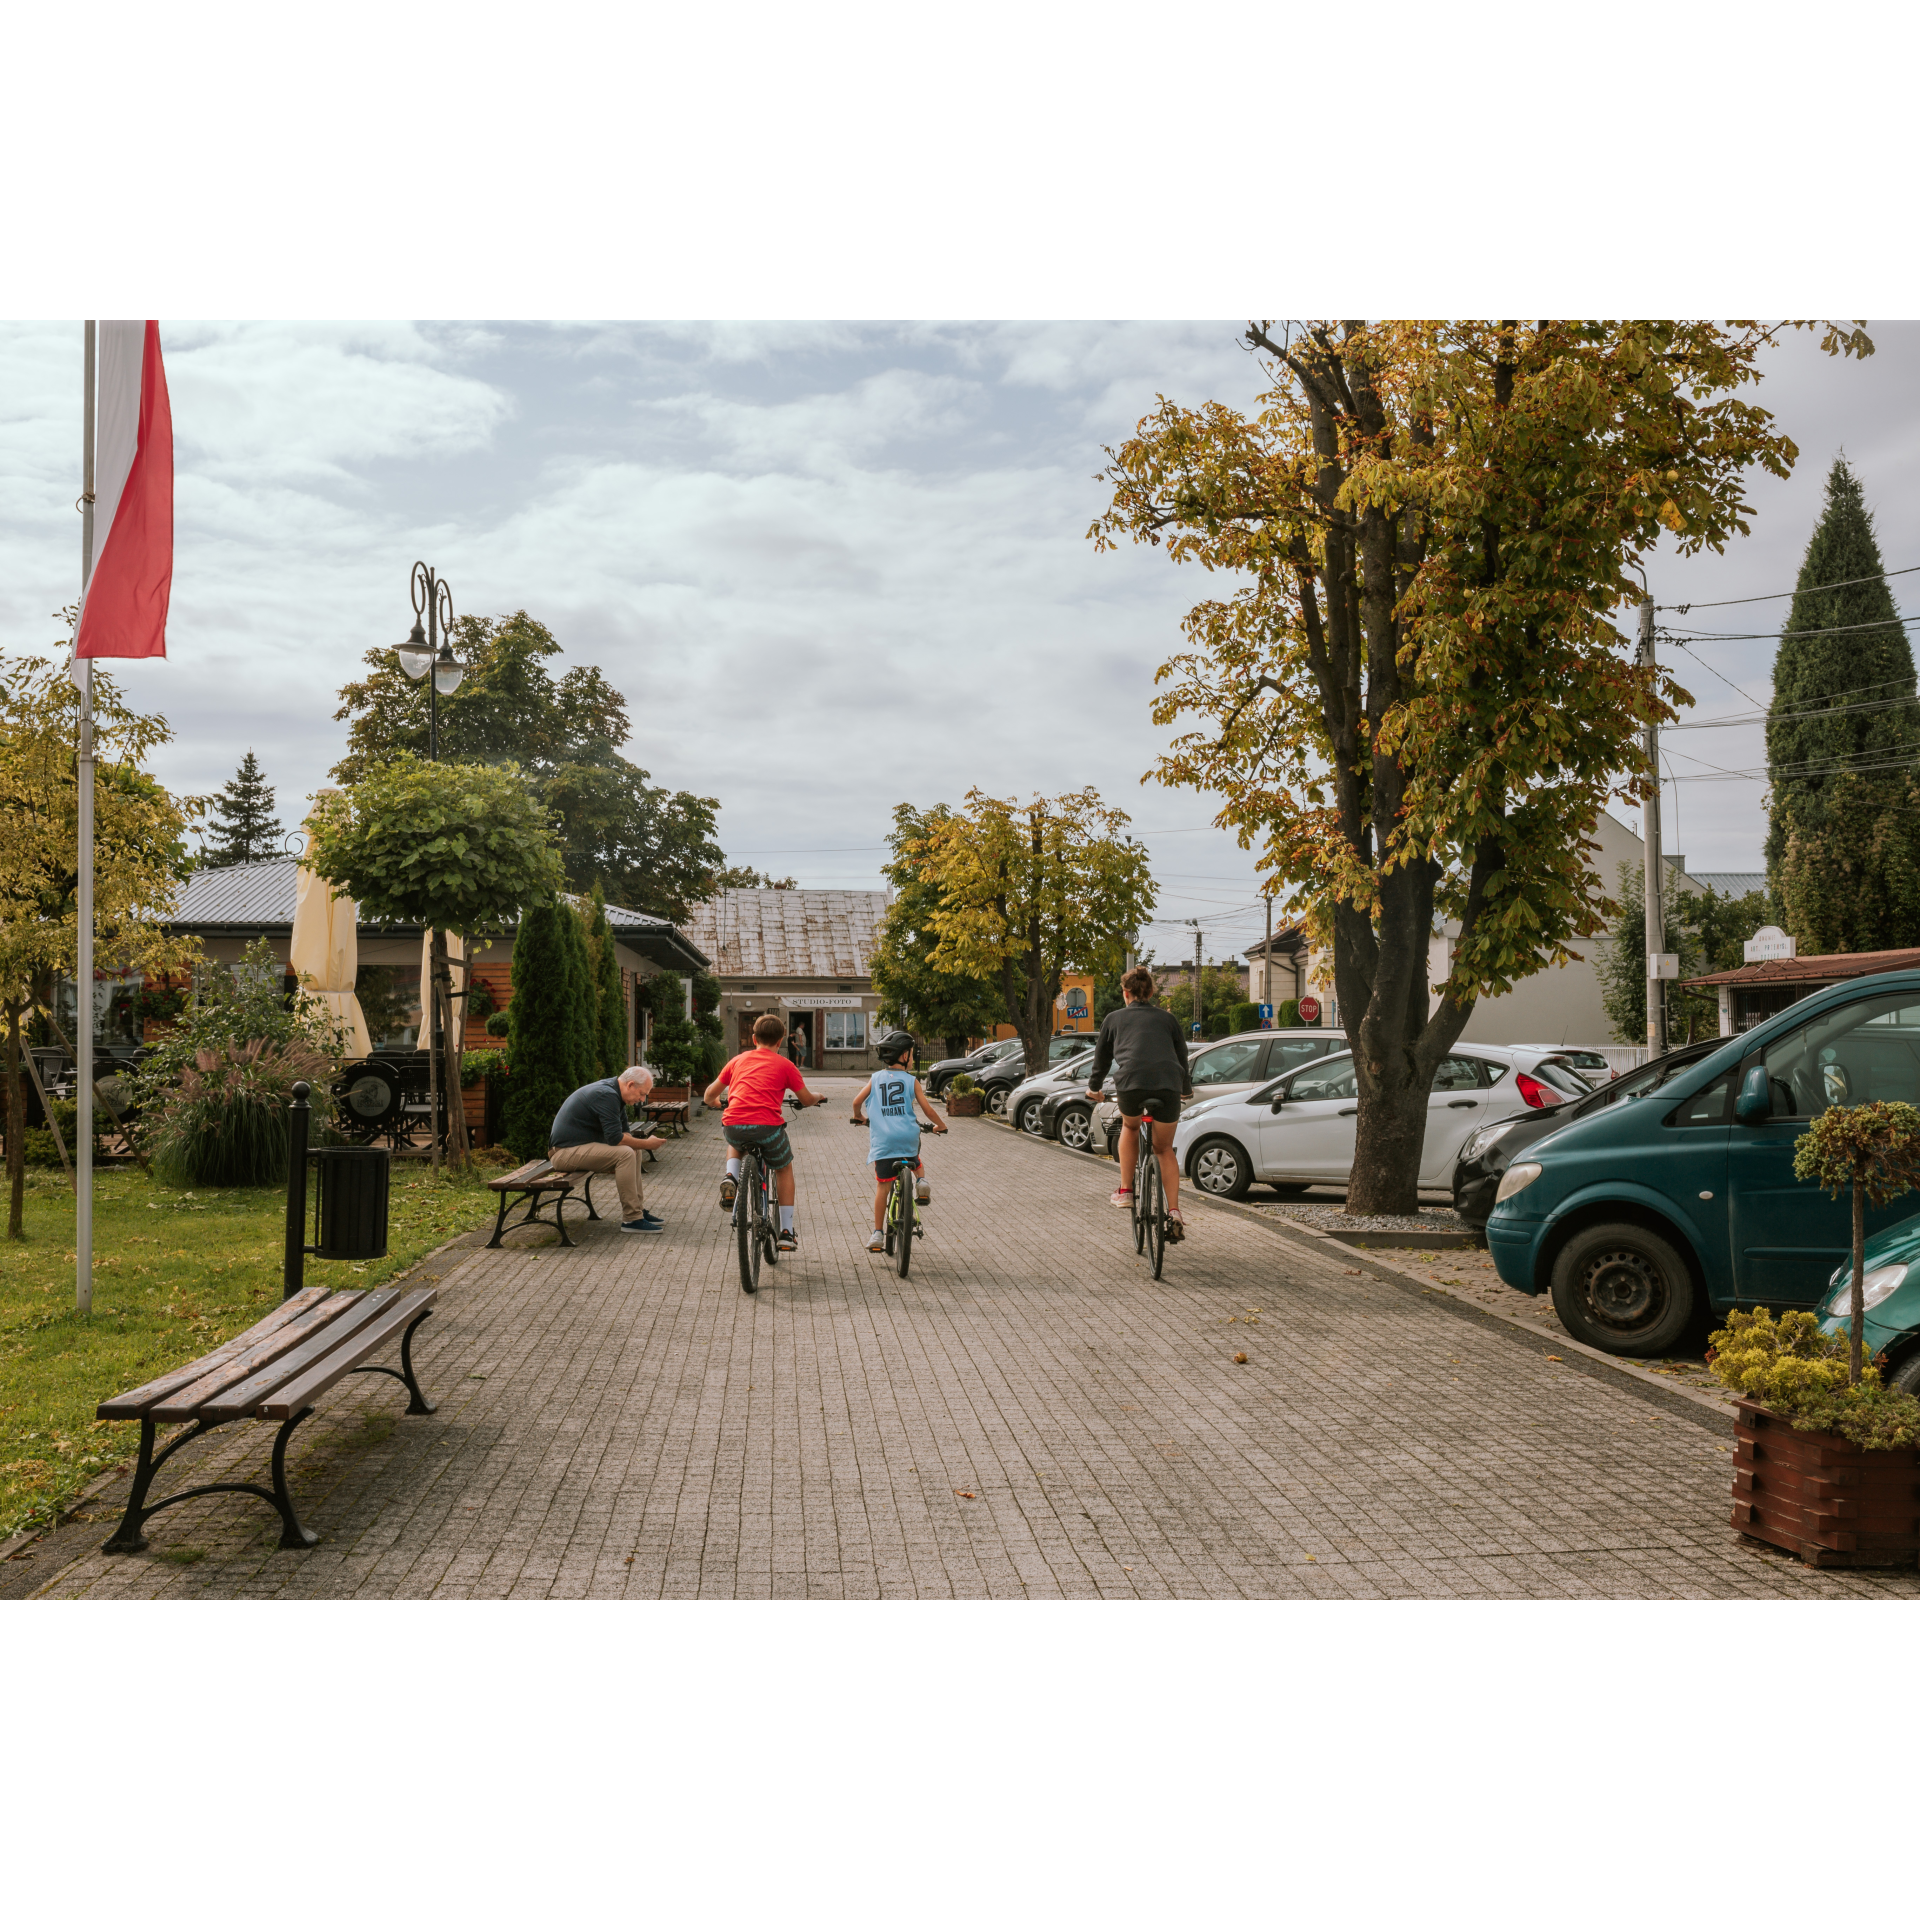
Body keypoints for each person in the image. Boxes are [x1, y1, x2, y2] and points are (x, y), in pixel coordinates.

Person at [705, 1012, 827, 1251]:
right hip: (768, 1129)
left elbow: (709, 1094)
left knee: (736, 1136)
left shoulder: (737, 1061)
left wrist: (717, 1103)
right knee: (783, 1167)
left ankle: (731, 1176)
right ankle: (786, 1231)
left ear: (753, 1038)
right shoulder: (786, 1065)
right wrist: (817, 1098)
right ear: (781, 1041)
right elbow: (805, 1098)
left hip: (734, 1126)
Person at [1087, 964, 1192, 1240]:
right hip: (1168, 1084)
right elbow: (1182, 1056)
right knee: (1164, 1148)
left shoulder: (1113, 1018)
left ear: (1126, 993)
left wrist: (1094, 1089)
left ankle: (1125, 1191)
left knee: (1130, 1128)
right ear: (1151, 992)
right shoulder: (1168, 1020)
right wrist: (1185, 1089)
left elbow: (1102, 1059)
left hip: (1131, 1084)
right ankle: (1175, 1212)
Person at [850, 1031, 946, 1254]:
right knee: (914, 1158)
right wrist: (940, 1125)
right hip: (907, 1137)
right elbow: (927, 1109)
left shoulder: (875, 1079)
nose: (912, 1057)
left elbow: (857, 1102)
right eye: (912, 1053)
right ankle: (921, 1181)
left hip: (883, 1142)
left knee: (882, 1186)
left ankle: (877, 1234)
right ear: (904, 1055)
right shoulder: (912, 1081)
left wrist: (860, 1118)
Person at [548, 1065, 668, 1233]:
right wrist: (647, 1143)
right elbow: (615, 1139)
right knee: (625, 1153)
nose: (642, 1100)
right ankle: (632, 1219)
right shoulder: (606, 1095)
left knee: (634, 1150)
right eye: (642, 1094)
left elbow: (625, 1134)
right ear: (630, 1084)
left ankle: (638, 1211)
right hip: (562, 1153)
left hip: (576, 1149)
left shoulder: (615, 1095)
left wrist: (641, 1145)